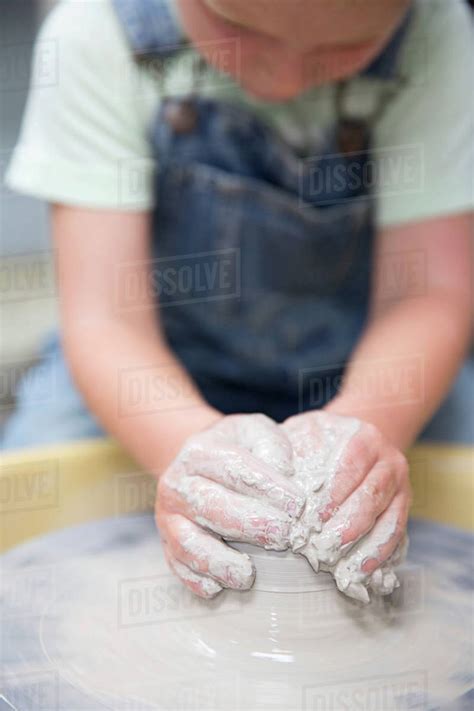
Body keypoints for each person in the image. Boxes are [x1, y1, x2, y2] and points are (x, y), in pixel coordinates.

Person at [3, 0, 473, 599]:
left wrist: (364, 438)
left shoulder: (433, 31)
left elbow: (428, 295)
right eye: (237, 31)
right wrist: (190, 450)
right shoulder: (96, 34)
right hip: (146, 370)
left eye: (340, 51)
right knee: (32, 545)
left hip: (367, 365)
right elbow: (104, 321)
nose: (281, 80)